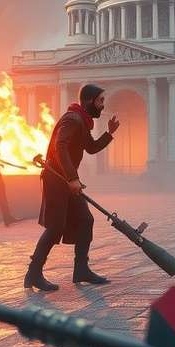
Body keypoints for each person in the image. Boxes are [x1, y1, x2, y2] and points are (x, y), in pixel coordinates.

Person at [24, 84, 120, 290]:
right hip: (57, 179)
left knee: (85, 220)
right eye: (100, 101)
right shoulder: (72, 119)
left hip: (67, 180)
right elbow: (60, 146)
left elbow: (92, 148)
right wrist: (72, 178)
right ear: (89, 101)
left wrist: (109, 134)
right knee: (55, 227)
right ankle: (33, 273)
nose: (103, 106)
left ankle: (81, 270)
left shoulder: (82, 122)